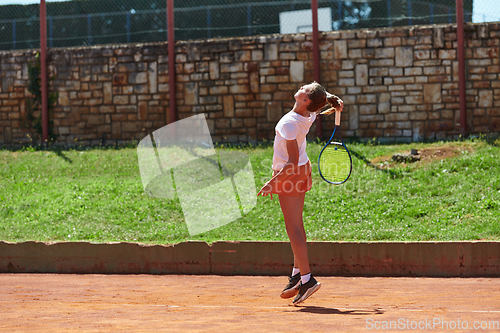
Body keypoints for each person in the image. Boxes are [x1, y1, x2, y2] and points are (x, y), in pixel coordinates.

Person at [257, 82, 343, 305]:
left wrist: (271, 183)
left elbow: (291, 162)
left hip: (291, 173)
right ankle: (297, 273)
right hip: (303, 170)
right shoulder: (308, 114)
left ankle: (307, 280)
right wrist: (332, 101)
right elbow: (317, 105)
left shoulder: (290, 123)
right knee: (297, 225)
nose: (301, 87)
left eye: (305, 89)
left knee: (293, 228)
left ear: (306, 101)